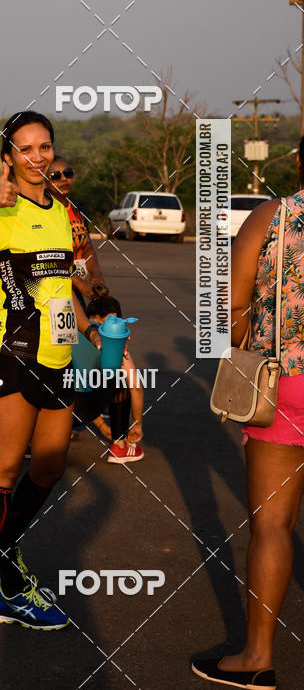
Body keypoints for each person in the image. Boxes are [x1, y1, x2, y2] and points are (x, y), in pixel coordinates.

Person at [0, 111, 101, 630]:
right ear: (7, 157)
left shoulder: (61, 211)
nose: (38, 157)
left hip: (57, 360)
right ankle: (12, 585)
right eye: (26, 148)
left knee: (50, 468)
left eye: (45, 147)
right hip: (12, 355)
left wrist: (92, 329)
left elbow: (61, 285)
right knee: (3, 472)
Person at [192, 144, 304, 689]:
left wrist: (240, 339)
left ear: (301, 165)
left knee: (274, 526)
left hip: (282, 384)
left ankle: (256, 657)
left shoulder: (273, 215)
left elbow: (229, 305)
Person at [74, 295, 144, 463]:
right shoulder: (112, 338)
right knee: (121, 379)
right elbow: (136, 387)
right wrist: (137, 425)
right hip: (82, 409)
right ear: (113, 316)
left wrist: (100, 424)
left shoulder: (70, 329)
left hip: (57, 411)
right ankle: (119, 447)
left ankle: (33, 443)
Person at [45, 156, 108, 308]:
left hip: (76, 287)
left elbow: (87, 248)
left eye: (68, 173)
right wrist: (80, 285)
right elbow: (49, 258)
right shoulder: (43, 212)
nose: (64, 179)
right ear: (44, 181)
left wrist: (96, 276)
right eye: (56, 176)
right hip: (53, 289)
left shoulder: (78, 210)